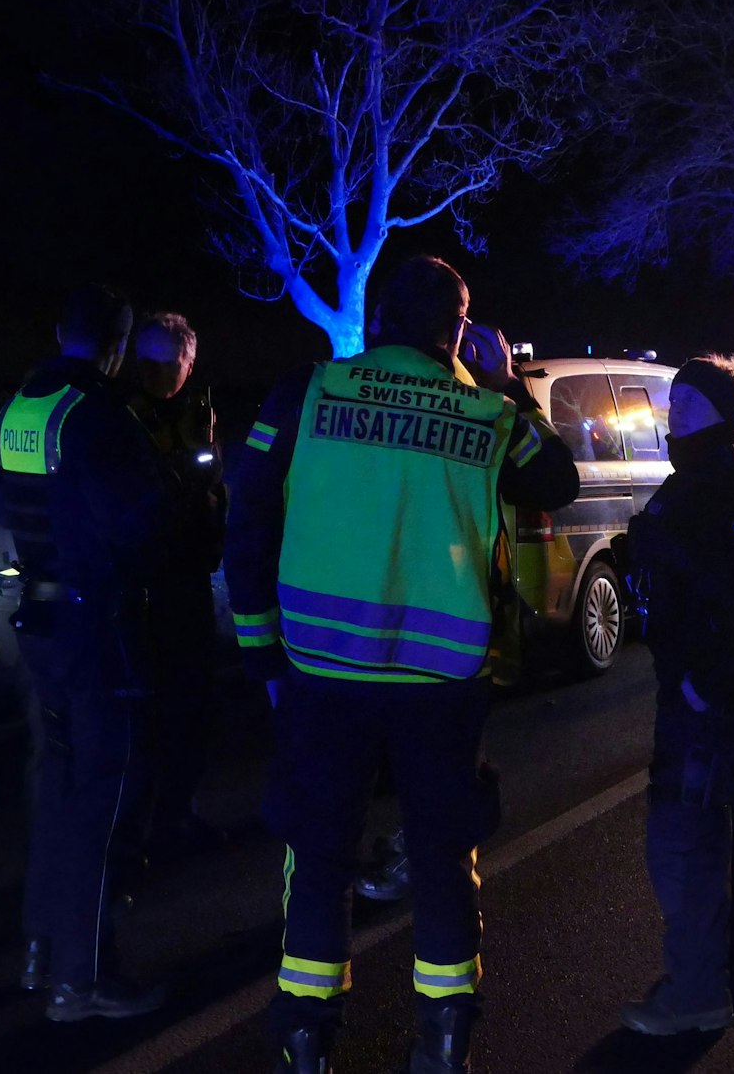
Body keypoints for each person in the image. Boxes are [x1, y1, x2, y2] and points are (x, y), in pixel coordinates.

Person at [224, 255, 579, 1073]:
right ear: (456, 331)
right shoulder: (489, 411)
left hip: (322, 673)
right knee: (442, 855)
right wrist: (506, 380)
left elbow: (249, 524)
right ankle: (445, 1045)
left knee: (319, 855)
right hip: (440, 684)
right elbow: (556, 479)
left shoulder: (307, 392)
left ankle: (306, 1042)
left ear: (378, 318)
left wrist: (261, 653)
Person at [0, 286, 174, 1022]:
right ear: (117, 347)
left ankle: (41, 950)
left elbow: (5, 515)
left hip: (37, 619)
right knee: (105, 797)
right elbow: (140, 526)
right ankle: (83, 977)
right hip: (96, 629)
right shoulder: (99, 415)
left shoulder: (17, 409)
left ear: (58, 329)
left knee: (61, 792)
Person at [618, 354, 734, 1036]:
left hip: (708, 693)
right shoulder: (699, 477)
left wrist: (702, 686)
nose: (676, 412)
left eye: (691, 402)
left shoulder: (733, 483)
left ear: (724, 411)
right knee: (719, 823)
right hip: (699, 684)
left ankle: (695, 994)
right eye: (675, 401)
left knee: (684, 838)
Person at [123, 312, 229, 860]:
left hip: (187, 582)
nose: (158, 374)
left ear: (189, 363)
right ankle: (135, 831)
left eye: (170, 363)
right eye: (148, 362)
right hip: (139, 586)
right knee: (142, 712)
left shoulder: (199, 415)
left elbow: (212, 489)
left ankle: (175, 817)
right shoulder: (122, 417)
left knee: (191, 707)